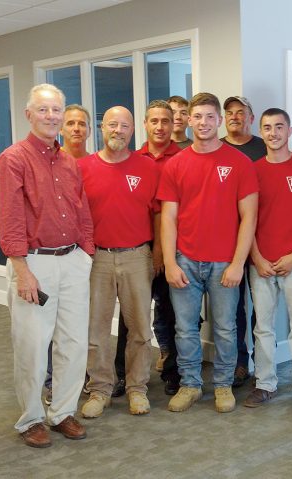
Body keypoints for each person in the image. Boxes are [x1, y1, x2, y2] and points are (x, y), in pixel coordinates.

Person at [0, 83, 94, 448]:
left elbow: (81, 209)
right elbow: (11, 219)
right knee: (33, 346)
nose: (51, 116)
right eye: (44, 110)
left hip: (73, 261)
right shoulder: (13, 160)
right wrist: (22, 270)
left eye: (56, 110)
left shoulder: (68, 161)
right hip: (35, 263)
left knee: (73, 342)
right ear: (28, 114)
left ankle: (62, 411)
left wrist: (86, 251)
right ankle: (31, 418)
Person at [157, 92, 258, 414]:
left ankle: (224, 385)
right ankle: (190, 385)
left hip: (224, 262)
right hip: (185, 259)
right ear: (188, 120)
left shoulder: (239, 163)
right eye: (197, 117)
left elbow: (249, 218)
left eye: (209, 117)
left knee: (226, 328)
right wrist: (171, 262)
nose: (203, 123)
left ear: (219, 120)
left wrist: (238, 263)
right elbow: (169, 217)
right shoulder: (176, 165)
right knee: (185, 328)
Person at [78, 106, 160, 418]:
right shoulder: (83, 168)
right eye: (112, 124)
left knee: (139, 327)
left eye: (124, 125)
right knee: (95, 329)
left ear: (133, 130)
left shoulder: (148, 168)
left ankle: (137, 388)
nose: (118, 130)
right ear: (102, 128)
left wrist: (159, 255)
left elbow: (157, 213)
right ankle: (99, 389)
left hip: (137, 256)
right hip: (96, 257)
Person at [244, 108, 292, 411]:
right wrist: (257, 258)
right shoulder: (252, 170)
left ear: (289, 131)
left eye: (279, 127)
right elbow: (245, 220)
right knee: (262, 327)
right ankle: (264, 383)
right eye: (267, 127)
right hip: (260, 263)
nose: (273, 133)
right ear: (261, 132)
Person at [44, 103, 92, 405]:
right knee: (52, 325)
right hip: (53, 257)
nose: (76, 129)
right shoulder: (50, 163)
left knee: (79, 325)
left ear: (89, 129)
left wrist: (86, 253)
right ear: (62, 128)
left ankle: (79, 378)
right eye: (71, 123)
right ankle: (52, 381)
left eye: (82, 124)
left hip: (82, 254)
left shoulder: (94, 163)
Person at [136, 100, 183, 396]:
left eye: (166, 121)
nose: (160, 126)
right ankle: (128, 372)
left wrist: (166, 253)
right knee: (136, 314)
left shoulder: (182, 158)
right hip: (137, 247)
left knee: (171, 311)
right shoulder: (133, 159)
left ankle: (172, 369)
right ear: (146, 124)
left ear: (174, 124)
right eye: (154, 121)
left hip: (174, 249)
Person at [220, 95, 267, 387]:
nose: (235, 117)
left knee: (262, 308)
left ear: (251, 117)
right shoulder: (218, 147)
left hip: (262, 237)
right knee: (234, 307)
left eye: (241, 112)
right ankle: (239, 362)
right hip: (228, 240)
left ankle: (263, 362)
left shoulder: (264, 146)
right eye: (230, 113)